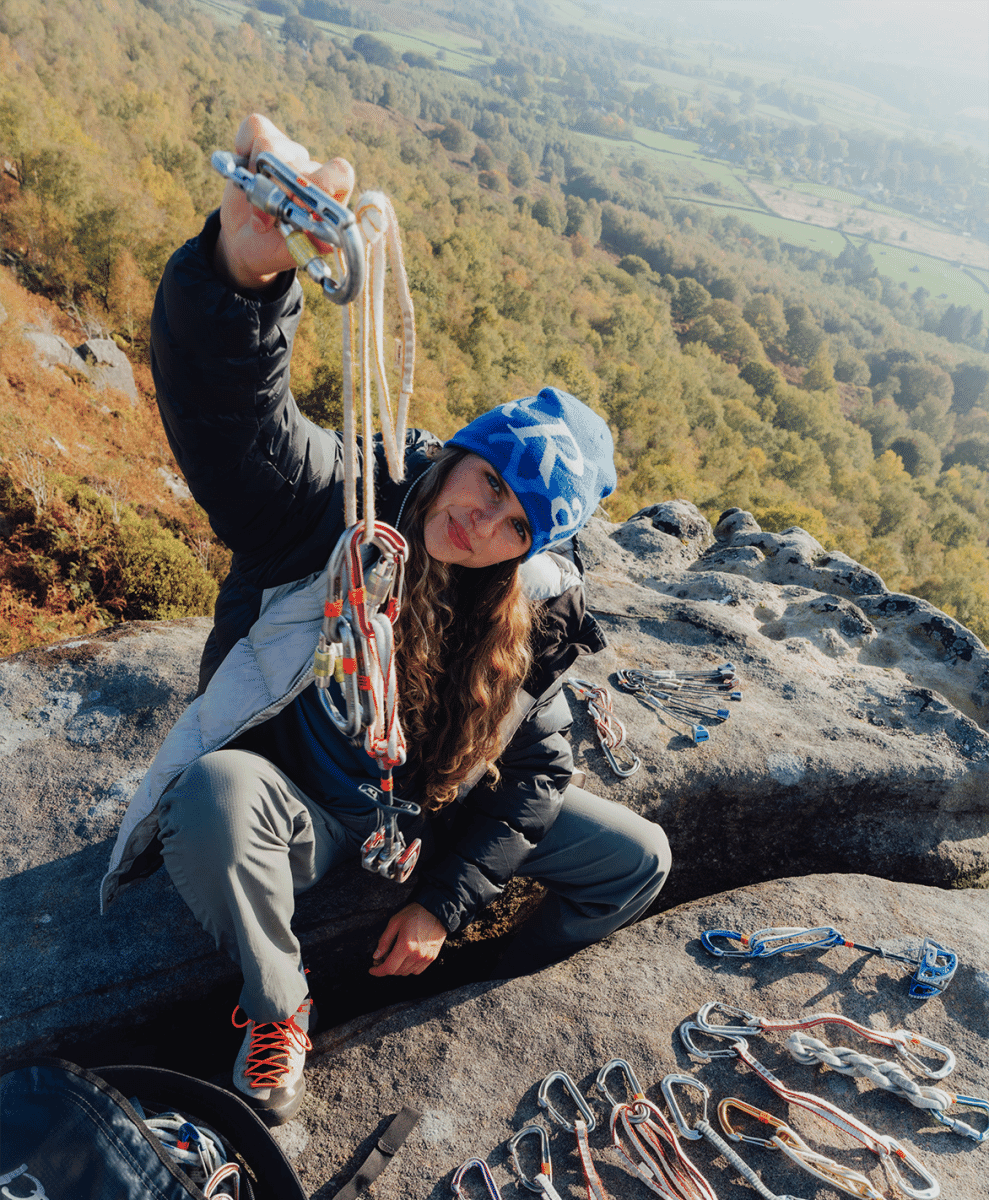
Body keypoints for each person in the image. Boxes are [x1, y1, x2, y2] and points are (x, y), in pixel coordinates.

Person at [100, 115, 671, 1125]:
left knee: (637, 861)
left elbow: (535, 769)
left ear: (538, 544)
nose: (480, 521)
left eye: (516, 521)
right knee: (209, 801)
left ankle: (480, 994)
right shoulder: (344, 504)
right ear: (459, 451)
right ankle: (280, 1007)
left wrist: (441, 909)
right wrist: (240, 279)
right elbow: (241, 426)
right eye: (485, 481)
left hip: (429, 810)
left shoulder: (530, 609)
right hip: (308, 801)